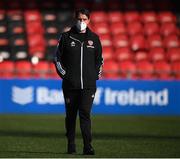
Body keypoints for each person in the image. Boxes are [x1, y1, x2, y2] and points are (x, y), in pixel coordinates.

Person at [54, 8, 103, 155]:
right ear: (75, 19)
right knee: (70, 116)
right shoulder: (66, 37)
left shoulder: (94, 39)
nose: (81, 22)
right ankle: (71, 144)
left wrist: (95, 75)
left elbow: (99, 60)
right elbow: (57, 58)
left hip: (88, 86)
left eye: (84, 19)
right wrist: (65, 75)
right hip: (70, 85)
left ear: (89, 20)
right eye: (79, 19)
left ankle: (88, 146)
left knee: (85, 114)